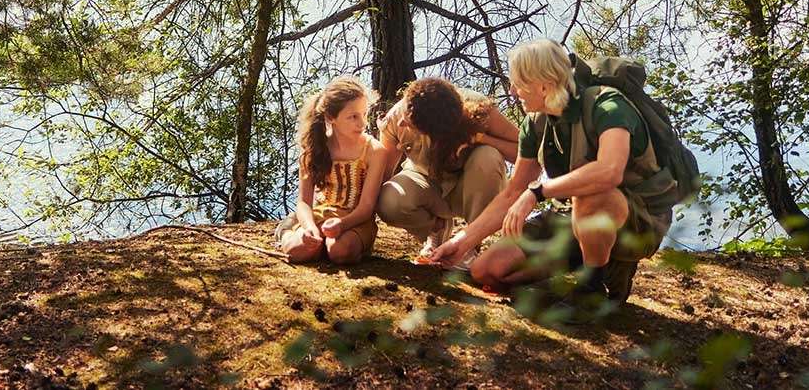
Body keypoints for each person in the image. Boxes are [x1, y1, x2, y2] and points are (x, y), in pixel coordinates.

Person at [428, 39, 675, 319]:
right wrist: (460, 243)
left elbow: (609, 171)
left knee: (591, 190)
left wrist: (538, 191)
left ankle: (593, 288)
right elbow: (512, 192)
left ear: (543, 86)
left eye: (518, 83)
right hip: (572, 214)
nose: (512, 91)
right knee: (487, 271)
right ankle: (584, 263)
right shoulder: (536, 123)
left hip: (636, 220)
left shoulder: (608, 106)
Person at [373, 77, 520, 263]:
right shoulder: (396, 117)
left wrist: (481, 139)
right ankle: (436, 229)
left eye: (411, 125)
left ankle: (469, 245)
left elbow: (526, 152)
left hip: (469, 187)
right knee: (389, 199)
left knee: (488, 157)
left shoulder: (480, 110)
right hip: (424, 183)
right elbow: (382, 173)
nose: (402, 123)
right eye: (404, 114)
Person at [276, 77, 392, 265]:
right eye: (353, 117)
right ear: (331, 117)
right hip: (320, 215)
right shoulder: (314, 149)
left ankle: (336, 245)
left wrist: (342, 224)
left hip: (356, 222)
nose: (362, 123)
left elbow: (366, 207)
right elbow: (304, 202)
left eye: (364, 114)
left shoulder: (374, 151)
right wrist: (309, 227)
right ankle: (286, 233)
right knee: (298, 251)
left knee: (340, 251)